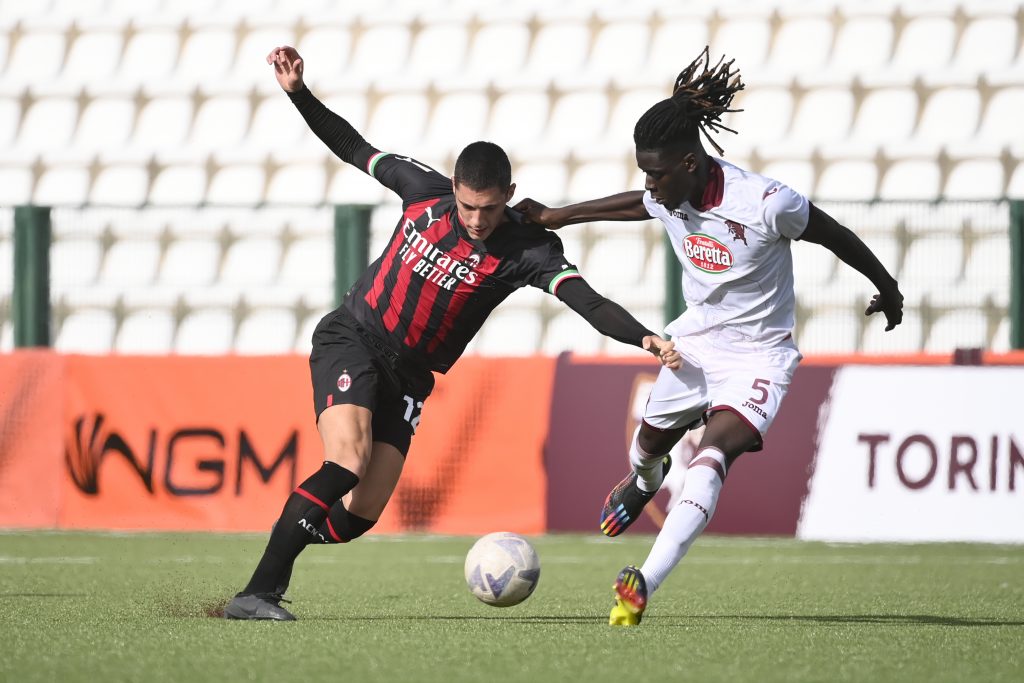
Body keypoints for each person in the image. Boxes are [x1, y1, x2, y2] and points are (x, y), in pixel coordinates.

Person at [223, 46, 681, 621]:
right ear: (455, 189)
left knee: (359, 516)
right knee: (347, 460)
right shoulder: (423, 190)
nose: (475, 220)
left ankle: (287, 533)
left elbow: (586, 300)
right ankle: (258, 592)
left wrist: (643, 336)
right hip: (355, 337)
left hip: (412, 376)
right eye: (467, 206)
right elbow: (352, 146)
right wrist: (298, 93)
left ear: (508, 196)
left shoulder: (529, 250)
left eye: (487, 209)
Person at [514, 47, 904, 626]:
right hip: (694, 341)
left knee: (713, 456)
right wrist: (560, 216)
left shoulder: (768, 204)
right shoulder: (669, 190)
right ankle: (645, 481)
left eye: (658, 172)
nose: (649, 183)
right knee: (646, 452)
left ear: (692, 163)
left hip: (761, 358)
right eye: (644, 170)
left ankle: (642, 582)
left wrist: (886, 285)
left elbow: (833, 234)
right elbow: (638, 206)